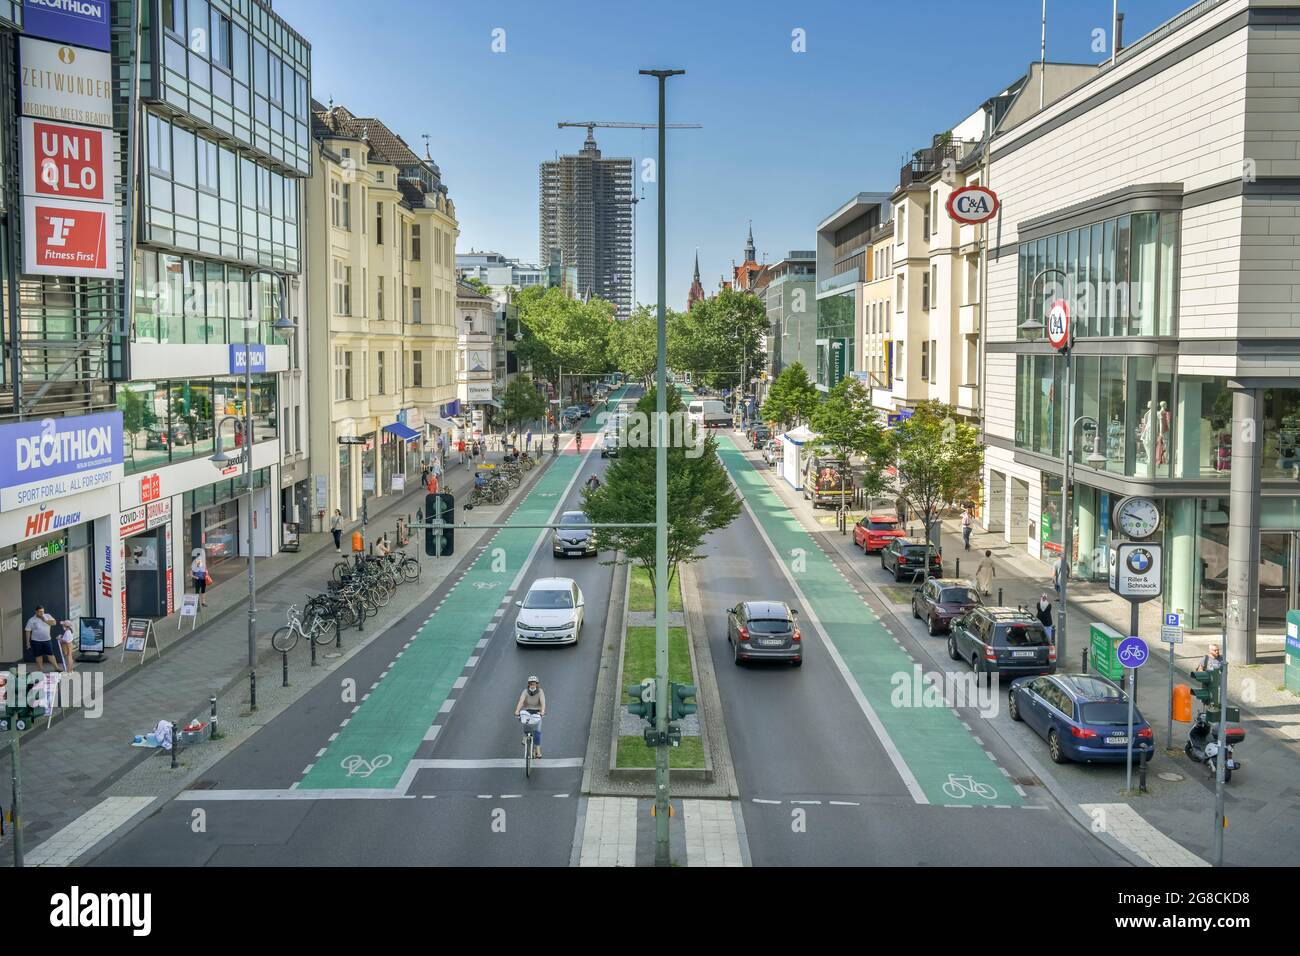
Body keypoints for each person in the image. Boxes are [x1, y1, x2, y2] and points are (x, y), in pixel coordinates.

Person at [514, 675, 547, 760]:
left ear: (537, 684)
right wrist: (517, 710)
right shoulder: (525, 691)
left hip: (537, 712)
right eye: (531, 684)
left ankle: (538, 750)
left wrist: (542, 711)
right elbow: (521, 701)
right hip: (527, 711)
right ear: (528, 684)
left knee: (537, 731)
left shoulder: (540, 692)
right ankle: (525, 737)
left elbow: (543, 702)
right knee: (525, 722)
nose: (532, 686)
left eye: (534, 684)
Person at [24, 606, 61, 673]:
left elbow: (54, 623)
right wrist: (27, 642)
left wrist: (45, 620)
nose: (42, 613)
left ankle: (57, 668)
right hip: (36, 641)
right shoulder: (31, 620)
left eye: (43, 611)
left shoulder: (47, 616)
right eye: (40, 612)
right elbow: (28, 631)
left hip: (47, 640)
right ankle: (41, 669)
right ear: (36, 612)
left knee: (50, 654)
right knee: (38, 655)